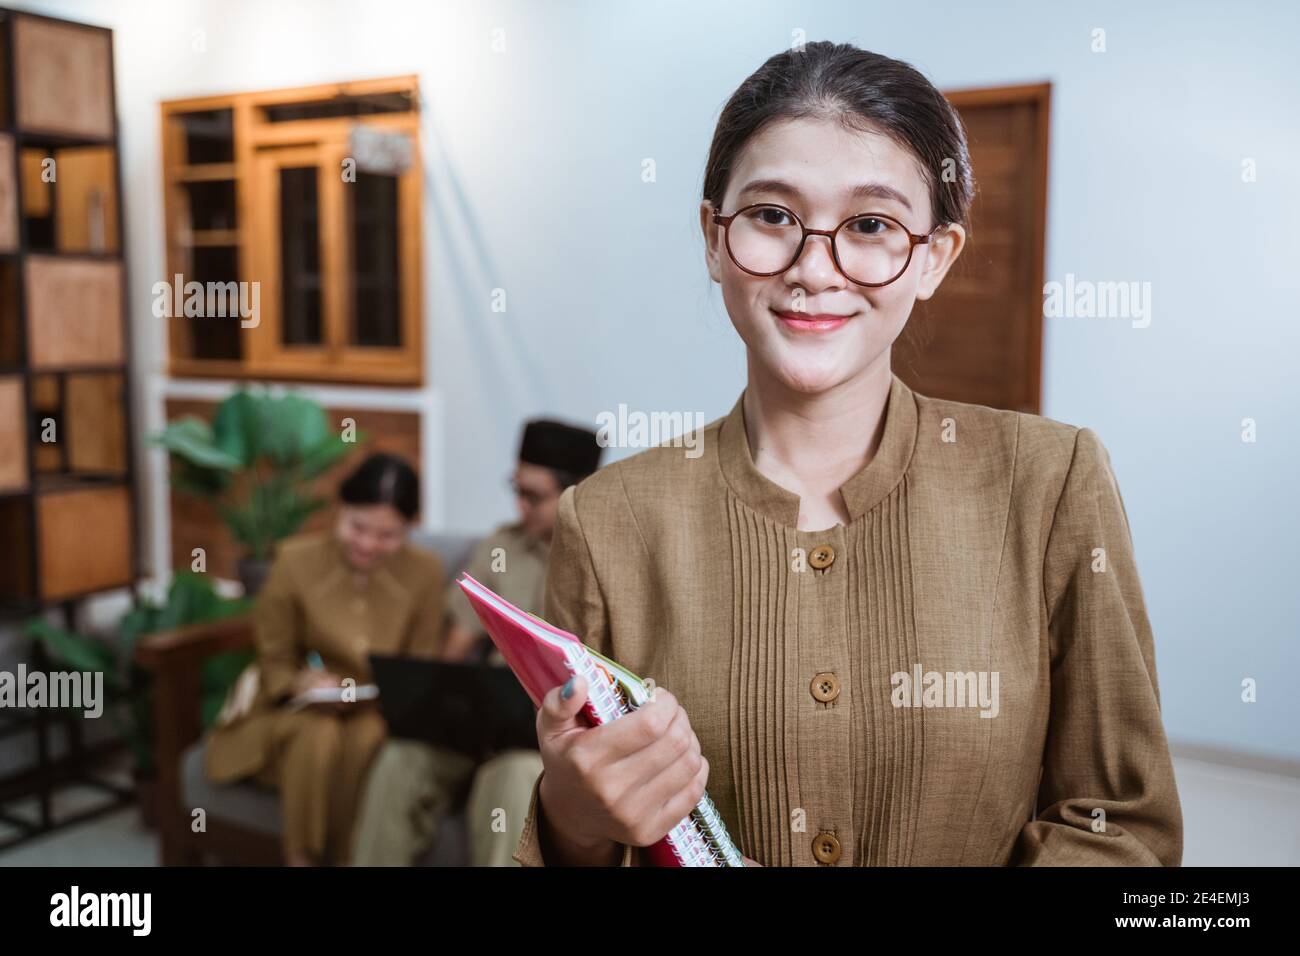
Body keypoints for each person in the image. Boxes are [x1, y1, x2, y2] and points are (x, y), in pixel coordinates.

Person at [515, 42, 1184, 867]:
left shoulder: (1051, 482)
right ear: (713, 238)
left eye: (870, 225)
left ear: (934, 257)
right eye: (772, 216)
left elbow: (1121, 826)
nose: (814, 268)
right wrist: (571, 818)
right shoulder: (607, 520)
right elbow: (591, 825)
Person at [352, 419, 602, 866]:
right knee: (401, 759)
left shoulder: (605, 562)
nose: (519, 505)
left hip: (550, 737)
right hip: (483, 719)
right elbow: (456, 650)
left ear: (575, 493)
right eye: (516, 489)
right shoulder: (499, 547)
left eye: (533, 496)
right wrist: (438, 710)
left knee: (514, 778)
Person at [205, 453, 443, 866]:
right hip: (295, 707)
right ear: (339, 510)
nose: (368, 545)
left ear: (410, 528)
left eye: (387, 535)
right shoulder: (295, 560)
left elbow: (418, 669)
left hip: (378, 711)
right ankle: (302, 859)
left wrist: (380, 696)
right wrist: (303, 683)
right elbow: (274, 657)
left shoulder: (425, 573)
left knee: (368, 737)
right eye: (357, 527)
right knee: (318, 735)